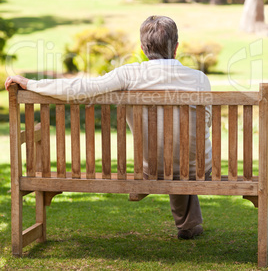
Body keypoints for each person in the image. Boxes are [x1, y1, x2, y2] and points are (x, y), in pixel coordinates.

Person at [5, 15, 212, 240]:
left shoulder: (130, 74)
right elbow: (206, 123)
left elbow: (81, 87)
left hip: (152, 169)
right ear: (177, 47)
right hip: (197, 169)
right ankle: (189, 225)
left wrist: (31, 84)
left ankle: (188, 222)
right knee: (184, 157)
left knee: (167, 159)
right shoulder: (199, 79)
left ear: (143, 48)